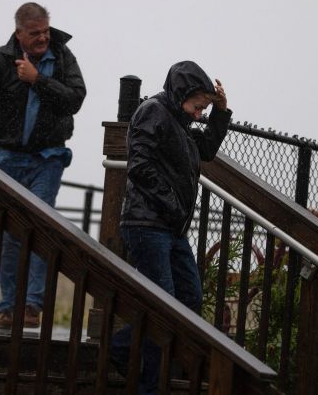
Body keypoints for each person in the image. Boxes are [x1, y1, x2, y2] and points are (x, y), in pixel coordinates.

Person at [111, 61, 231, 393]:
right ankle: (149, 383)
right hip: (147, 223)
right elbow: (140, 165)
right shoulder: (153, 111)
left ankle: (122, 348)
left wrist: (220, 112)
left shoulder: (180, 121)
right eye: (198, 106)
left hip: (170, 227)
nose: (198, 114)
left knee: (189, 297)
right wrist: (173, 205)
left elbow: (205, 150)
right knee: (163, 306)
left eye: (203, 109)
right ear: (182, 93)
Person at [0, 2, 86, 329]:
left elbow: (76, 98)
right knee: (9, 230)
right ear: (19, 32)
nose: (43, 38)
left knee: (38, 223)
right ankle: (8, 307)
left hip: (48, 157)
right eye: (35, 33)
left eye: (46, 31)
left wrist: (38, 80)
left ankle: (32, 306)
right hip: (7, 156)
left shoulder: (62, 57)